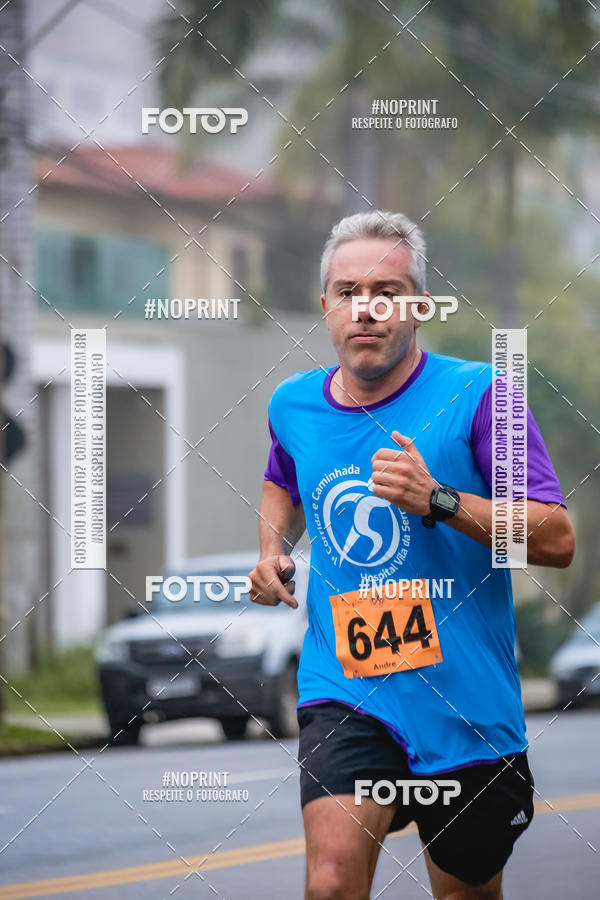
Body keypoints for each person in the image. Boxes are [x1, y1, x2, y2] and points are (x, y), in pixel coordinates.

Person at [249, 211, 574, 900]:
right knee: (332, 880)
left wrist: (441, 501)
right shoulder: (293, 404)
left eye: (387, 290)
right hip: (348, 689)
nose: (365, 308)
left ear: (419, 306)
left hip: (466, 703)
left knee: (463, 893)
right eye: (347, 291)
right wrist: (271, 548)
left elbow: (555, 540)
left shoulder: (486, 396)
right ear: (326, 305)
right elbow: (282, 479)